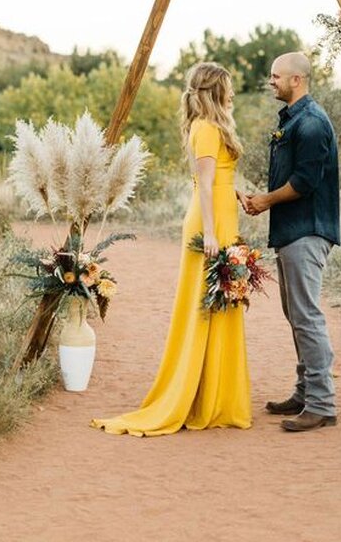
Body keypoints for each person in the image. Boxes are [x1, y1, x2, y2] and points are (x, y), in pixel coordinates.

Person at [91, 62, 251, 436]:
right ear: (215, 92)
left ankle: (216, 392)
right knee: (206, 302)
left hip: (222, 215)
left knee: (223, 300)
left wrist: (236, 193)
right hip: (209, 224)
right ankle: (200, 396)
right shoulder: (207, 129)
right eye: (227, 88)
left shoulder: (211, 127)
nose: (232, 94)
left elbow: (217, 182)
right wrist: (210, 233)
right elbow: (206, 185)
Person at [245, 51, 339, 432]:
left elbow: (304, 182)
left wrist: (264, 200)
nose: (271, 81)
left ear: (296, 80)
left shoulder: (312, 123)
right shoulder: (293, 119)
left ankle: (322, 403)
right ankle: (305, 392)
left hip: (307, 229)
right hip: (290, 230)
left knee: (307, 316)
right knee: (296, 315)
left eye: (275, 76)